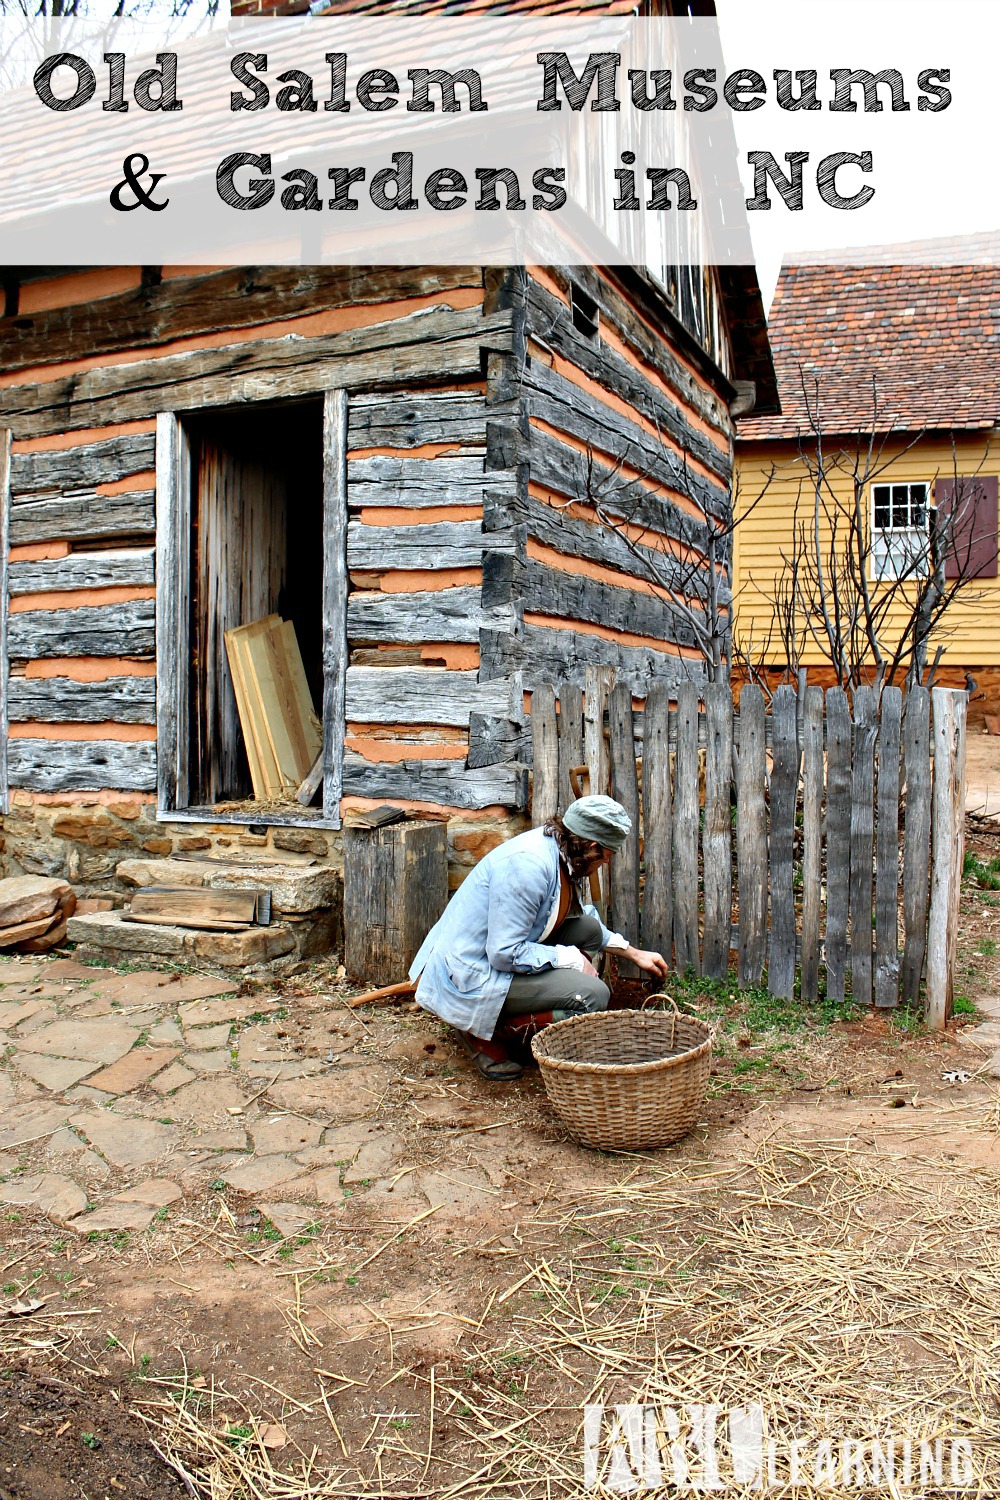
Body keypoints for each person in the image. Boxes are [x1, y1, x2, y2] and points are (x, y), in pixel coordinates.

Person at [409, 795, 669, 1080]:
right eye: (608, 854)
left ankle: (552, 1011)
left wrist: (631, 952)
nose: (607, 862)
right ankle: (485, 1031)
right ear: (593, 846)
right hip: (471, 971)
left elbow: (576, 916)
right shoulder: (529, 866)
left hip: (496, 955)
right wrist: (568, 959)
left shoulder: (560, 850)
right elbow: (504, 953)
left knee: (589, 931)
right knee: (593, 995)